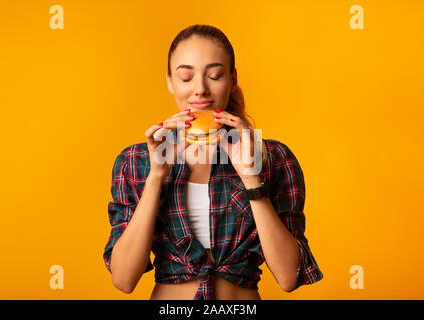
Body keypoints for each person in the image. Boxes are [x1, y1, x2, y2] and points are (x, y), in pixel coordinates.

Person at [103, 24, 323, 300]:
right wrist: (156, 176)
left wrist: (250, 176)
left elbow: (289, 276)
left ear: (232, 79)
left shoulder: (273, 157)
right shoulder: (135, 161)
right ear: (170, 82)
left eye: (215, 75)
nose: (200, 90)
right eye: (186, 77)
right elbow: (123, 279)